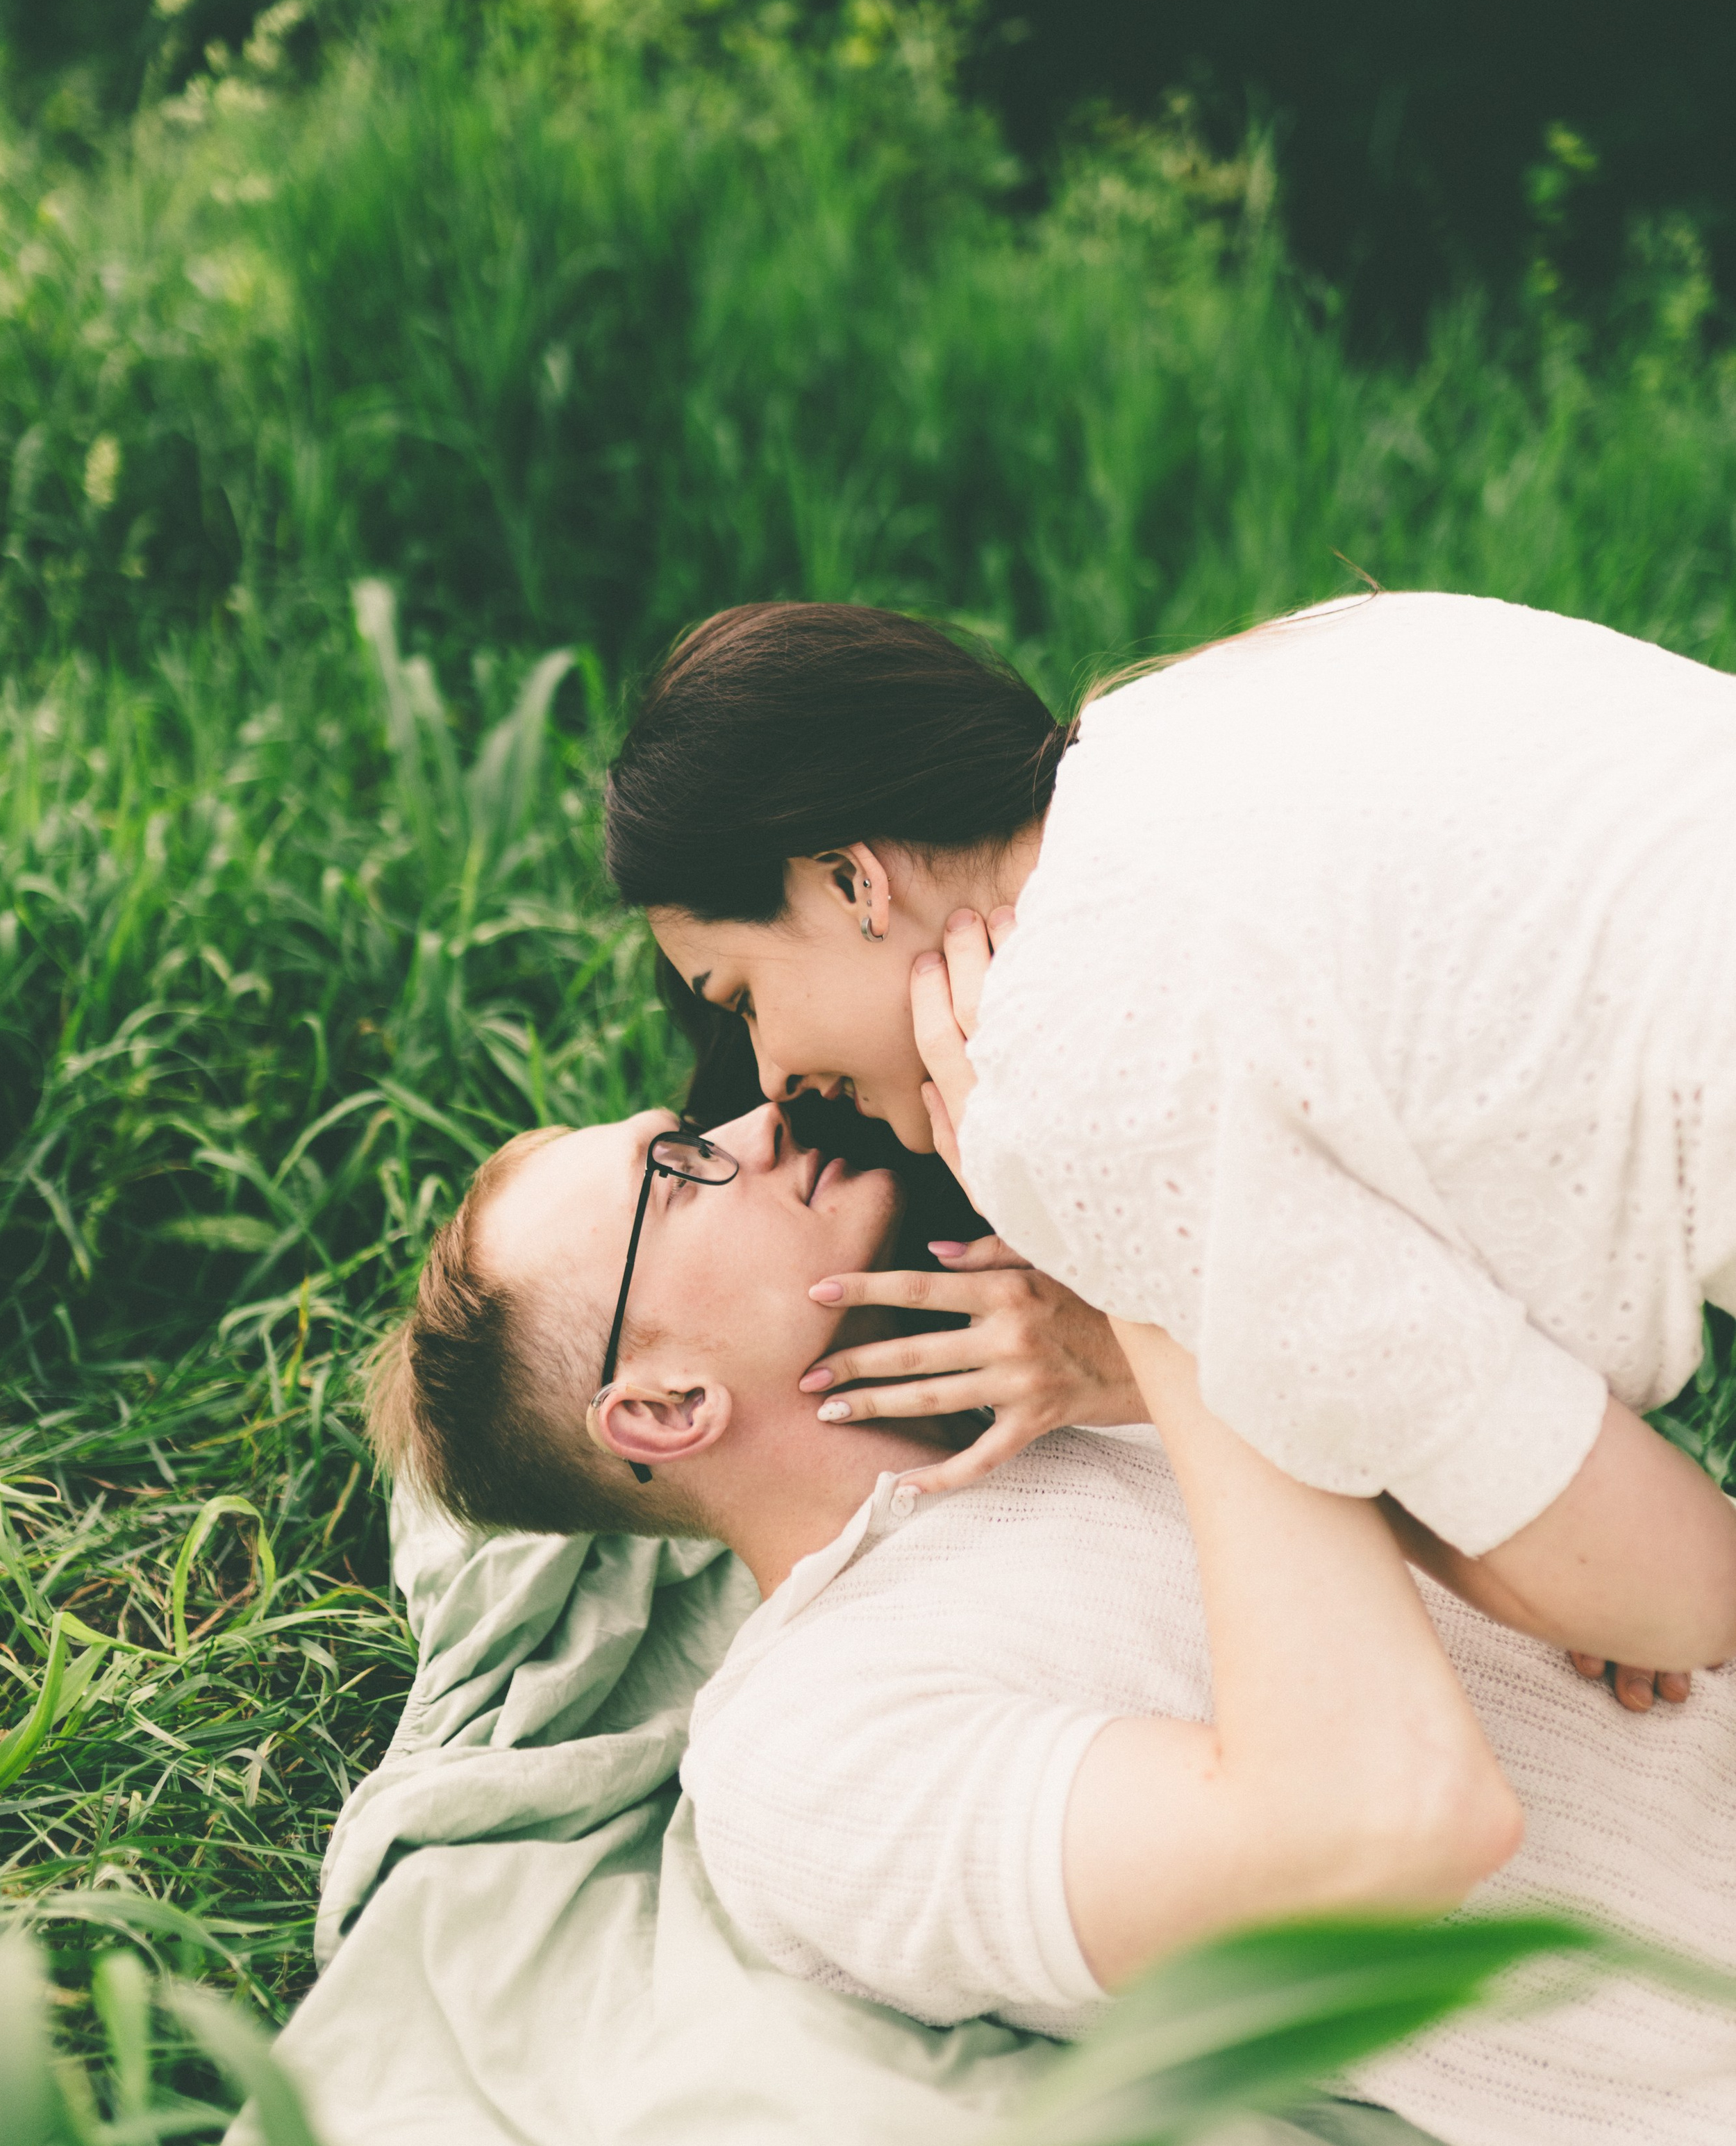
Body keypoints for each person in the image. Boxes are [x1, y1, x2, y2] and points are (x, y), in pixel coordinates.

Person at [367, 1098, 1736, 2146]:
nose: (756, 1118)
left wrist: (1135, 1362)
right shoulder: (803, 1757)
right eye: (676, 1175)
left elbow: (1674, 1578)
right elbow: (1372, 1832)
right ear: (664, 1408)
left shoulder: (1086, 1388)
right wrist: (1169, 1337)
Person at [603, 592, 1736, 1679]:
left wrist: (1181, 1344)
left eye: (741, 995)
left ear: (852, 876)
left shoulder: (1068, 1087)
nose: (769, 1080)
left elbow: (1683, 1592)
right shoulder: (1218, 699)